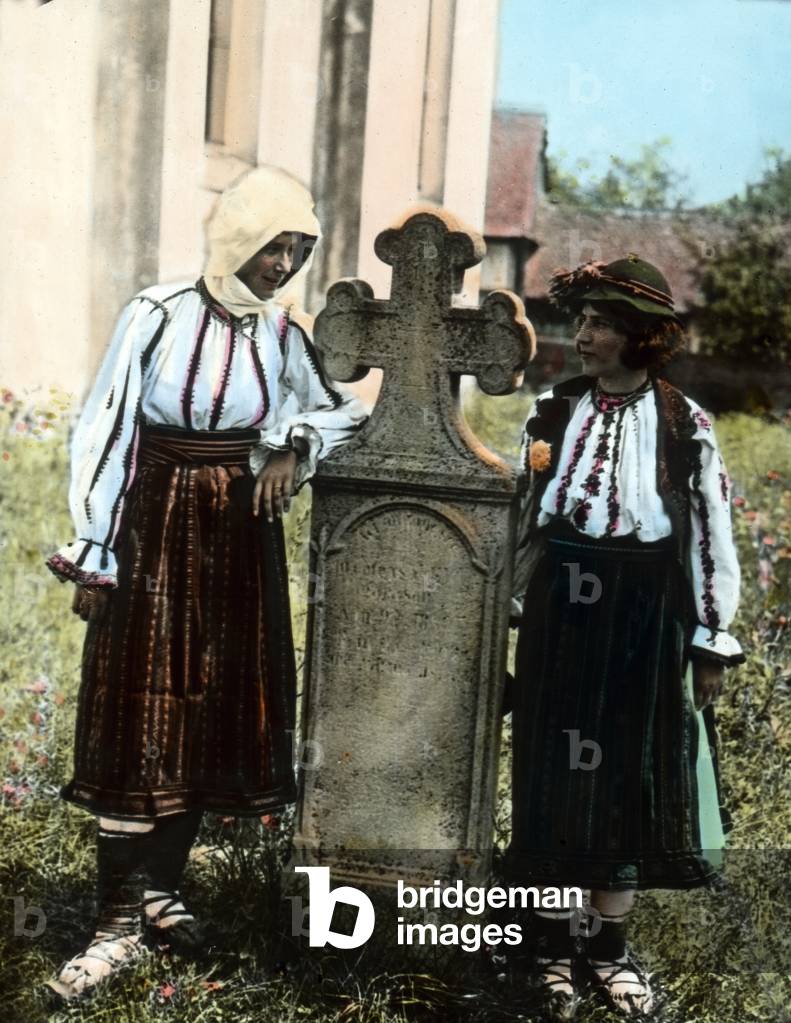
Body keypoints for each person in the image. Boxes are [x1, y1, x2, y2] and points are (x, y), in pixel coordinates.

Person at [43, 166, 367, 1001]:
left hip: (234, 534)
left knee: (209, 706)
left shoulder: (283, 335)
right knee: (142, 706)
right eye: (272, 245)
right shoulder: (158, 314)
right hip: (151, 523)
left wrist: (293, 446)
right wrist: (95, 550)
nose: (282, 263)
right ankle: (113, 919)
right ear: (235, 239)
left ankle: (162, 892)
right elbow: (109, 426)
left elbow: (344, 408)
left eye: (297, 249)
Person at [508, 256, 743, 1019]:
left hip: (642, 614)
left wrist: (709, 636)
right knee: (553, 771)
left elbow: (710, 532)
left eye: (601, 323)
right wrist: (510, 605)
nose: (582, 334)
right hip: (560, 611)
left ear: (641, 337)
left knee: (624, 780)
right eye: (580, 320)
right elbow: (522, 511)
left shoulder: (682, 423)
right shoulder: (552, 409)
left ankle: (606, 946)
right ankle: (548, 943)